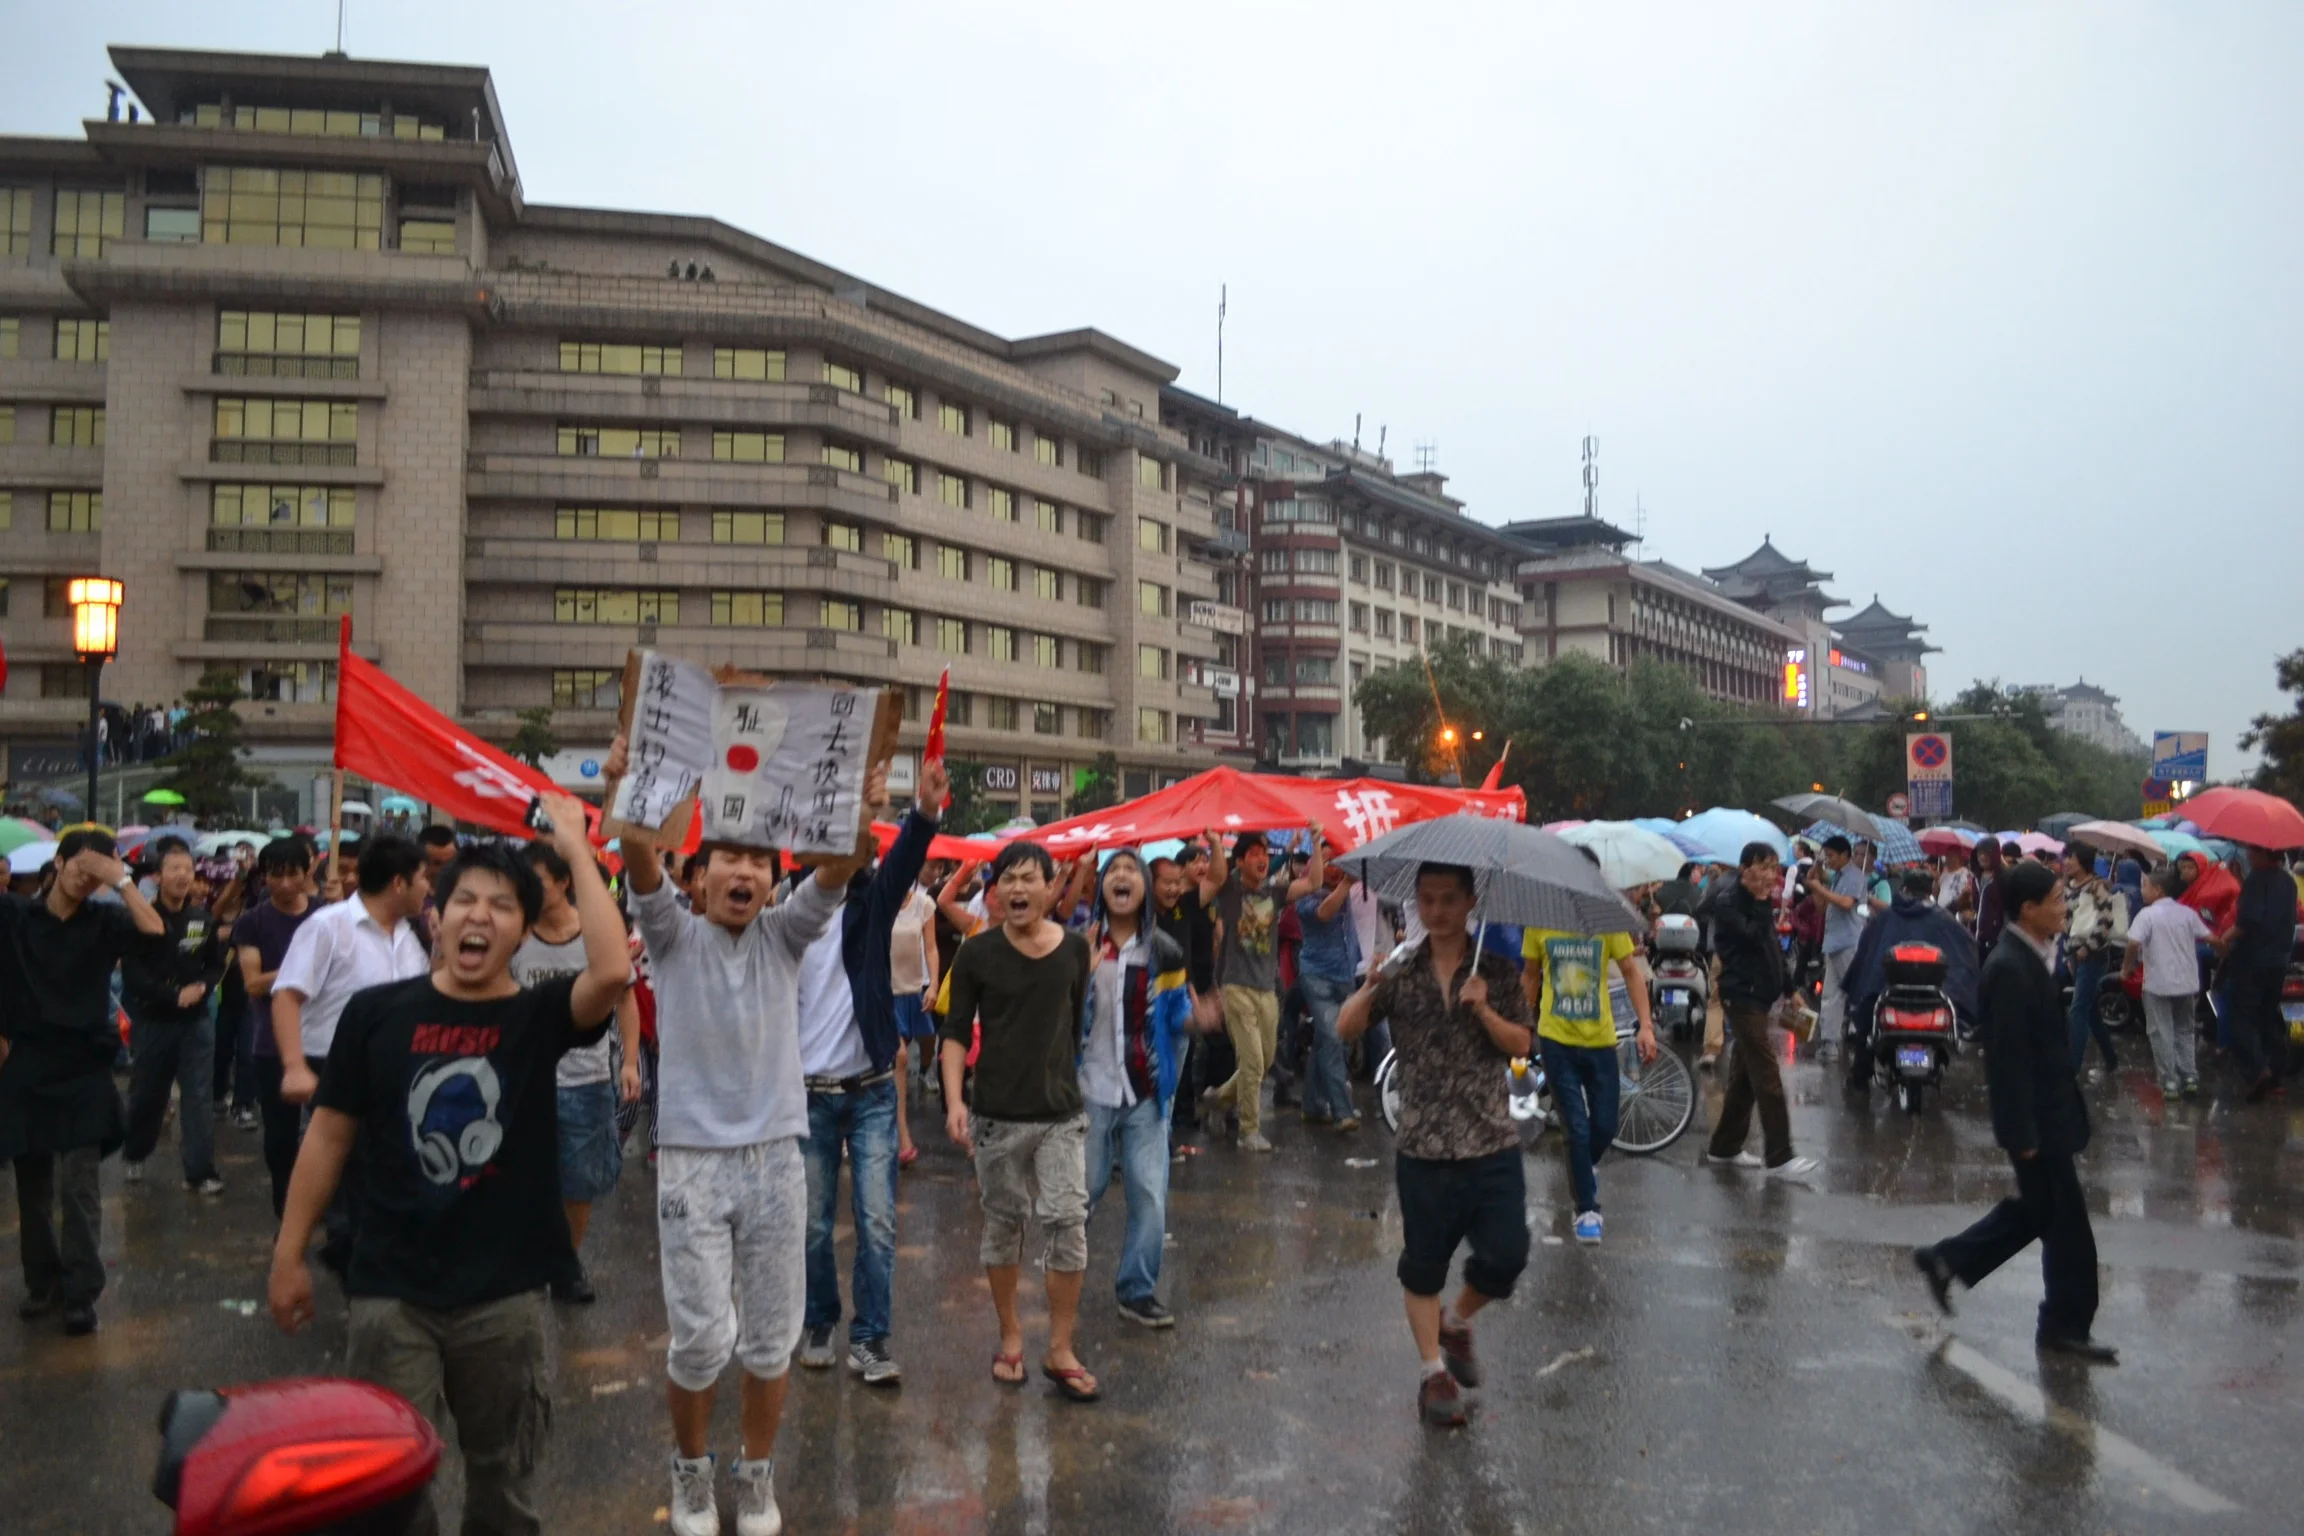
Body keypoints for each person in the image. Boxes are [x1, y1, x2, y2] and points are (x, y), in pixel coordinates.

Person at [269, 801, 628, 1536]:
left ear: (524, 931)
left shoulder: (539, 1015)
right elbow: (330, 1137)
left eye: (502, 906)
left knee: (503, 1486)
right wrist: (288, 1253)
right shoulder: (374, 1014)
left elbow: (614, 968)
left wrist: (576, 850)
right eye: (465, 898)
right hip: (390, 1289)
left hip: (507, 1299)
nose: (480, 915)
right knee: (387, 1485)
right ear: (438, 915)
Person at [609, 734, 864, 1536]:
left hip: (776, 1163)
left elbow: (840, 865)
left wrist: (862, 791)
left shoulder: (787, 936)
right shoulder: (672, 936)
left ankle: (755, 1477)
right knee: (697, 1342)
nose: (744, 872)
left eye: (760, 860)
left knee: (769, 1342)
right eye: (727, 859)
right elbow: (639, 861)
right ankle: (691, 1474)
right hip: (690, 1164)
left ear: (774, 878)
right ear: (699, 874)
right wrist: (628, 788)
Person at [1337, 862, 1535, 1429]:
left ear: (1471, 901)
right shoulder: (1400, 970)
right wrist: (1371, 985)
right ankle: (1433, 1373)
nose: (1438, 911)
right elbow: (1345, 1029)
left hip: (1489, 1138)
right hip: (1422, 1142)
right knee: (1422, 1267)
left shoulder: (1496, 970)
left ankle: (1458, 1320)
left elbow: (1522, 1043)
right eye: (1427, 900)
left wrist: (1485, 1009)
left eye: (1449, 899)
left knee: (1507, 1255)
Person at [1914, 862, 2115, 1363]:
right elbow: (2007, 1060)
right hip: (2036, 1123)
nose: (2064, 907)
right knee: (2067, 1229)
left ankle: (1947, 1260)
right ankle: (2063, 1326)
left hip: (2049, 1114)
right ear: (2027, 909)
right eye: (2055, 899)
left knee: (2039, 1213)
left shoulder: (2036, 956)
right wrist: (2021, 1131)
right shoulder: (2008, 967)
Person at [792, 759, 947, 1386]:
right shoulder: (787, 914)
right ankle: (821, 1318)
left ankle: (871, 1337)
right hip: (807, 1096)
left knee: (878, 1222)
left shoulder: (873, 902)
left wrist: (924, 812)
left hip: (874, 1091)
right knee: (811, 1223)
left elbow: (906, 857)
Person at [938, 841, 1099, 1401]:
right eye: (1007, 879)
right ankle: (1010, 1336)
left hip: (1060, 1113)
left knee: (1067, 1221)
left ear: (1053, 889)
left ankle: (1059, 1347)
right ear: (996, 892)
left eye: (1030, 878)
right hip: (996, 1118)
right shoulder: (976, 954)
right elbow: (956, 1033)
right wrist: (956, 1101)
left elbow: (1073, 1024)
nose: (1017, 889)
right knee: (1004, 1224)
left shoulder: (1076, 949)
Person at [0, 829, 165, 1335]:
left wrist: (124, 882)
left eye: (97, 870)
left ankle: (80, 1291)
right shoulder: (17, 915)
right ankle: (42, 1282)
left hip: (85, 1067)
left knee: (80, 1185)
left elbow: (155, 931)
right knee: (32, 1187)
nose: (85, 876)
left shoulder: (106, 920)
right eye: (80, 865)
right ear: (59, 862)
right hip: (28, 1061)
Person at [511, 841, 641, 1304]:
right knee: (524, 1175)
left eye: (538, 881)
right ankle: (528, 1259)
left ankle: (566, 1264)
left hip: (586, 1081)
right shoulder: (516, 934)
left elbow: (624, 996)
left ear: (565, 882)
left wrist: (628, 1061)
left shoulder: (595, 934)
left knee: (579, 1181)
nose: (526, 889)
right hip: (526, 1082)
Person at [1080, 850, 1203, 1328]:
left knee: (1149, 1194)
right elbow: (1060, 1012)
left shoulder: (1165, 951)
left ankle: (1136, 1290)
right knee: (1083, 1192)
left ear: (1144, 890)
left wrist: (1198, 1019)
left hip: (1146, 1092)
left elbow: (1174, 1016)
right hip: (1088, 1088)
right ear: (1102, 887)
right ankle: (1062, 1273)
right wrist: (1079, 974)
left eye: (1132, 870)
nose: (1123, 876)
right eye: (1114, 870)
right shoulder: (1079, 945)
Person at [1522, 890, 1656, 1245]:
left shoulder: (1607, 921)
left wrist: (1645, 1025)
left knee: (1605, 1125)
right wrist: (1523, 1024)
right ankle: (1586, 1208)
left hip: (1600, 1041)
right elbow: (1531, 975)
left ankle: (1581, 1168)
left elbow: (1631, 971)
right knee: (1576, 1130)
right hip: (1556, 1040)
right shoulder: (1540, 921)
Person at [120, 836, 242, 1193]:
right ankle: (136, 1151)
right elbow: (134, 975)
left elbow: (215, 964)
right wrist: (173, 995)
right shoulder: (142, 920)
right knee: (148, 1094)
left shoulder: (201, 920)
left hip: (196, 1022)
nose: (183, 875)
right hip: (154, 1020)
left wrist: (202, 988)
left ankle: (200, 1171)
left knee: (199, 1095)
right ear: (158, 876)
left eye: (188, 869)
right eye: (174, 869)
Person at [1705, 843, 1821, 1181]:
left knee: (1743, 1078)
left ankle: (1724, 1147)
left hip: (1762, 997)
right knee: (1768, 1076)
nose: (1770, 875)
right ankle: (1780, 1156)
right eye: (1763, 867)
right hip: (1741, 999)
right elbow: (1751, 937)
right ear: (1744, 870)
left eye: (1774, 868)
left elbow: (1771, 948)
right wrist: (1759, 902)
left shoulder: (1762, 905)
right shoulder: (1729, 903)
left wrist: (1790, 991)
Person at [1204, 829, 1319, 1151]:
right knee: (1253, 1060)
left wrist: (1318, 843)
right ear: (1240, 861)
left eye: (1265, 853)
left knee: (1265, 1061)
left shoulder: (1275, 892)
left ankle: (1218, 1098)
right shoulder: (1229, 891)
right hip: (1235, 986)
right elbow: (1215, 873)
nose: (1261, 859)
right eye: (1253, 853)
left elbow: (1312, 883)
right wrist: (1215, 844)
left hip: (1267, 989)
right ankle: (1248, 1132)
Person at [235, 836, 320, 1216]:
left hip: (324, 1041)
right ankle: (284, 1211)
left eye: (292, 875)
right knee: (280, 1138)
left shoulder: (327, 917)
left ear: (307, 874)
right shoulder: (251, 922)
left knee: (330, 1133)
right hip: (273, 1045)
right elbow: (252, 983)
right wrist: (301, 968)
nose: (284, 884)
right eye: (276, 875)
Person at [1841, 869, 1981, 1089]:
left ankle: (1861, 1075)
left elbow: (1865, 957)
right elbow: (1967, 947)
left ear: (1904, 889)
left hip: (1884, 989)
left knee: (1865, 1021)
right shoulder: (1942, 918)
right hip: (1934, 995)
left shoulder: (1886, 917)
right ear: (1930, 891)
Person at [2121, 866, 2208, 1097]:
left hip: (2157, 984)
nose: (2142, 891)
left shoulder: (2147, 915)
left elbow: (2132, 944)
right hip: (2187, 983)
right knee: (2184, 1030)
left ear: (2158, 890)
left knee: (2161, 1032)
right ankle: (2189, 1076)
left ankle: (2170, 1081)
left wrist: (2125, 969)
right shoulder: (2187, 913)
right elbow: (2209, 937)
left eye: (2145, 886)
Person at [1293, 843, 1363, 1131]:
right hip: (1317, 977)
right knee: (1333, 1039)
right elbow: (1324, 913)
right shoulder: (1304, 893)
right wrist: (1346, 885)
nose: (1337, 868)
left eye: (1341, 862)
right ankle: (1342, 1112)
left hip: (1345, 974)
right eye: (1330, 862)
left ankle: (1311, 1105)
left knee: (1329, 1041)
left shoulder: (1344, 890)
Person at [2224, 844, 2301, 1101]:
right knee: (2267, 1017)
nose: (2248, 854)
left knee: (2240, 1018)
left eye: (2252, 852)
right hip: (2278, 960)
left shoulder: (2257, 880)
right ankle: (2275, 1073)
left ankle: (2259, 1070)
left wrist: (2225, 937)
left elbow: (2249, 920)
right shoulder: (2288, 882)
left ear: (2265, 853)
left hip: (2252, 959)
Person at [889, 855, 943, 1167]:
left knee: (916, 1050)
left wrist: (933, 985)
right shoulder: (877, 903)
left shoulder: (924, 904)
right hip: (884, 993)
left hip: (914, 990)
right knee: (898, 1057)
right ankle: (902, 1134)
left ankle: (892, 1131)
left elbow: (931, 947)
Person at [2060, 846, 2128, 1080]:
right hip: (2074, 954)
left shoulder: (2098, 886)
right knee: (2089, 1010)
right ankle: (2111, 1059)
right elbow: (2066, 922)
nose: (2067, 862)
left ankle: (2072, 1067)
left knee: (2078, 1009)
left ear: (2083, 861)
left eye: (2072, 857)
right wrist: (2068, 951)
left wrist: (2088, 947)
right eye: (2065, 857)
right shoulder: (2067, 887)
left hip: (2093, 955)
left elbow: (2105, 920)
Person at [1807, 836, 1867, 1058]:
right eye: (1826, 855)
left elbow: (1845, 903)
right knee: (1831, 995)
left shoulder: (1854, 876)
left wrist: (1818, 887)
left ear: (1844, 855)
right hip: (1832, 942)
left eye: (1831, 855)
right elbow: (1822, 908)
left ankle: (1864, 1037)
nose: (1828, 860)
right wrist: (1815, 877)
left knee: (1854, 993)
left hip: (1848, 943)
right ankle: (1830, 1042)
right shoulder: (1836, 877)